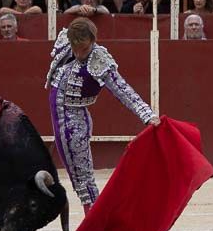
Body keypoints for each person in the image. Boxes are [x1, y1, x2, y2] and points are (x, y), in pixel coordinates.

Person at [45, 18, 159, 211]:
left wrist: (147, 115)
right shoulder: (65, 40)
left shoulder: (99, 59)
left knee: (82, 176)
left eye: (85, 48)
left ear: (93, 41)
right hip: (60, 119)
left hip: (74, 121)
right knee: (77, 174)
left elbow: (123, 90)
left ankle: (94, 221)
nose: (80, 53)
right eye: (76, 48)